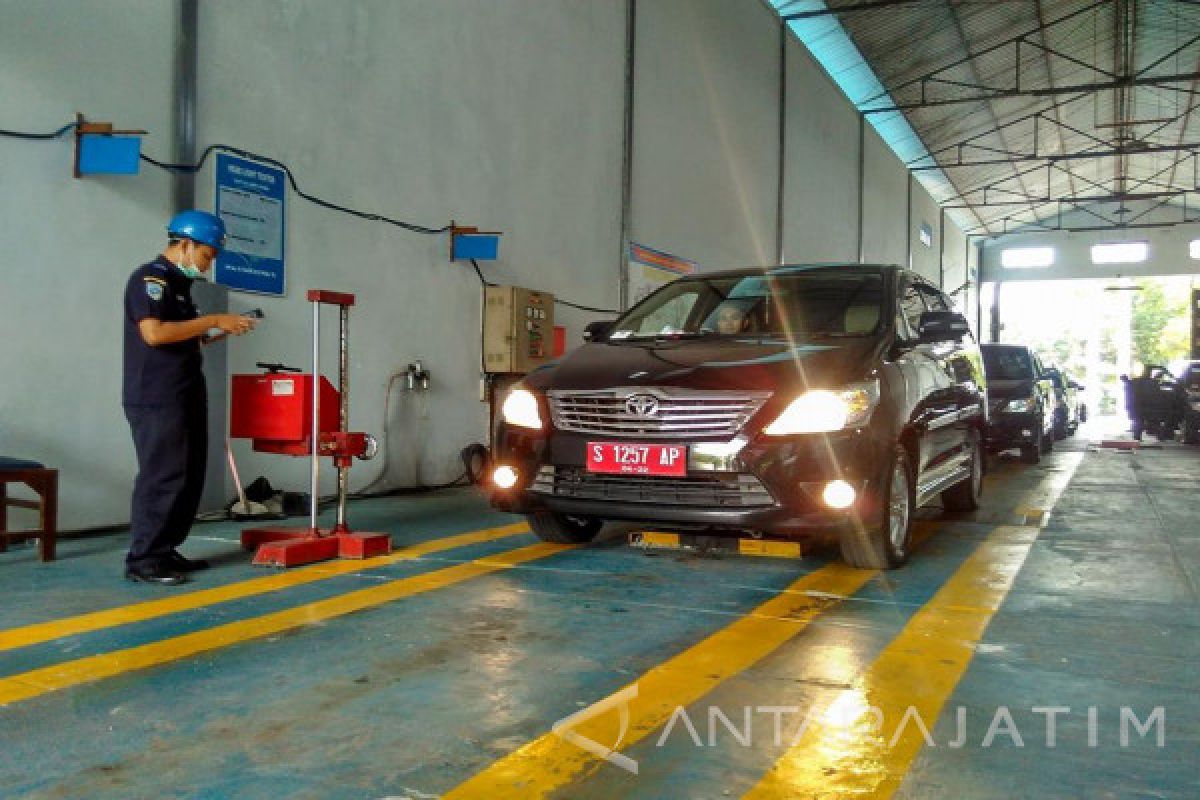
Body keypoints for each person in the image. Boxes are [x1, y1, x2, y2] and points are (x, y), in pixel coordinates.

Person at [122, 210, 256, 585]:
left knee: (188, 474)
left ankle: (166, 549)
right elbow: (154, 334)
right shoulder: (149, 280)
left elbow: (187, 336)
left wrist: (223, 328)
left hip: (184, 392)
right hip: (156, 395)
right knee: (163, 475)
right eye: (207, 255)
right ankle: (144, 559)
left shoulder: (181, 288)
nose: (208, 264)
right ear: (185, 244)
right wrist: (214, 319)